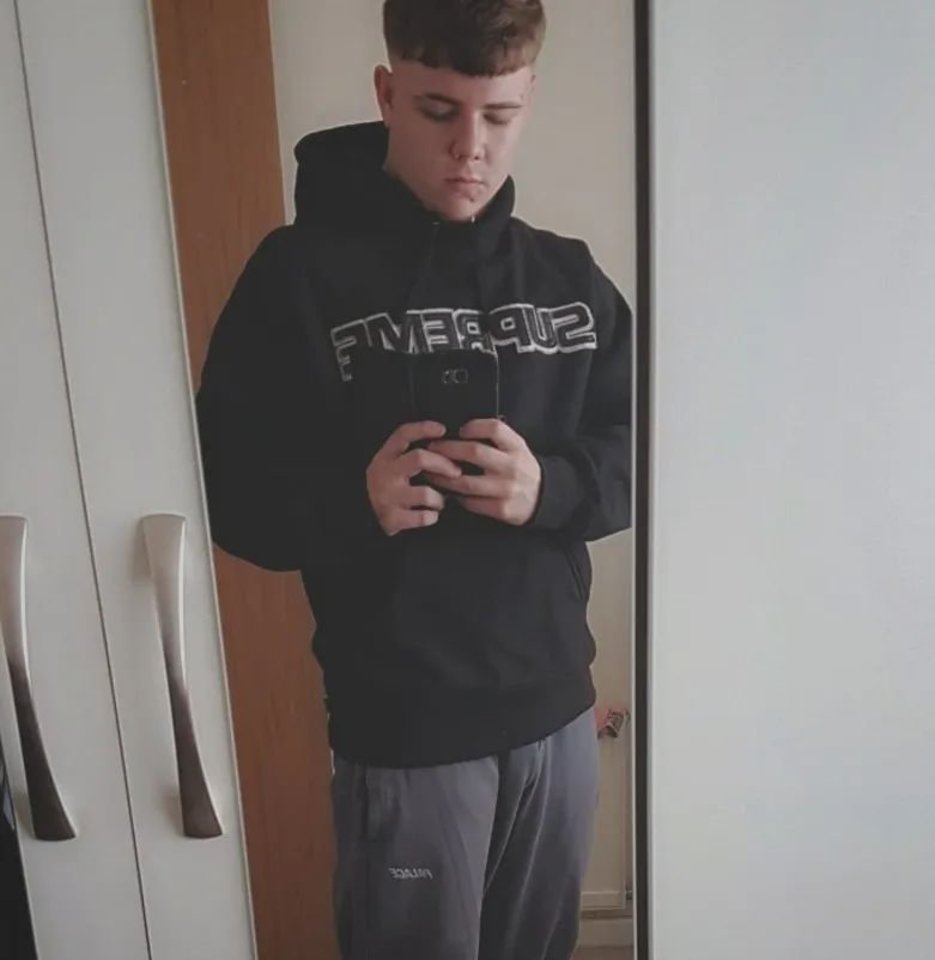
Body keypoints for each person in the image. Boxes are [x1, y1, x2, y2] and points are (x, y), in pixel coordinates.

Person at [196, 1, 632, 957]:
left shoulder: (568, 277)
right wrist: (354, 503)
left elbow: (650, 450)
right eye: (439, 111)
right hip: (405, 726)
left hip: (556, 710)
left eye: (499, 115)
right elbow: (226, 492)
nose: (471, 147)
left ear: (528, 99)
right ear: (387, 93)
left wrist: (550, 489)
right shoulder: (295, 277)